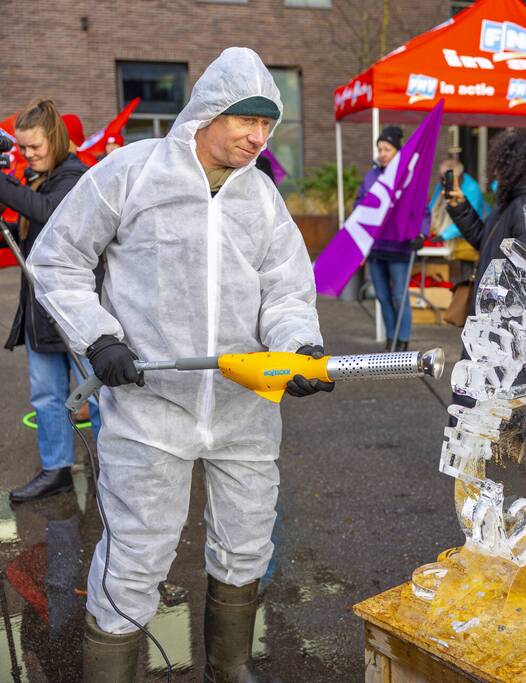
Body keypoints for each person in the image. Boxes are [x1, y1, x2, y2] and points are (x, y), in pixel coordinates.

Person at [28, 47, 331, 682]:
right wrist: (100, 337)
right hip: (150, 407)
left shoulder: (262, 198)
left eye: (268, 126)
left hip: (244, 406)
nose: (259, 138)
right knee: (135, 555)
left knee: (247, 542)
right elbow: (58, 258)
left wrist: (297, 346)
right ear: (209, 113)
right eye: (248, 122)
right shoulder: (132, 174)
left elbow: (287, 291)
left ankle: (230, 667)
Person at [0, 98, 102, 503]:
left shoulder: (76, 177)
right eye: (22, 148)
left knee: (95, 395)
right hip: (41, 310)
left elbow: (47, 212)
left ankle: (112, 469)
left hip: (77, 310)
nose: (27, 155)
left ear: (56, 140)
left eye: (34, 147)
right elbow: (30, 231)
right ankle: (56, 470)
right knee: (46, 396)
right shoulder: (38, 178)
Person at [444, 129, 526, 412]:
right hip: (490, 321)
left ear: (510, 166)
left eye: (497, 167)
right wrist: (460, 209)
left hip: (500, 325)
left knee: (472, 399)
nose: (494, 175)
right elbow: (487, 243)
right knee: (472, 396)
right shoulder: (511, 201)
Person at [356, 125, 427, 351]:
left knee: (399, 296)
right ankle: (391, 340)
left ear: (398, 151)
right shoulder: (371, 176)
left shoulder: (408, 177)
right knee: (382, 297)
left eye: (386, 149)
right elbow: (360, 204)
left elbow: (422, 209)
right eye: (380, 149)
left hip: (400, 247)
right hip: (376, 248)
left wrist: (422, 232)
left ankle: (403, 340)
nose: (382, 153)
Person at [429, 156, 487, 282]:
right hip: (452, 237)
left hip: (468, 240)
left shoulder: (472, 189)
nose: (444, 181)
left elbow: (467, 219)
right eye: (442, 177)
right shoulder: (442, 185)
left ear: (458, 176)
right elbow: (432, 208)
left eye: (448, 178)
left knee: (465, 278)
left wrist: (444, 236)